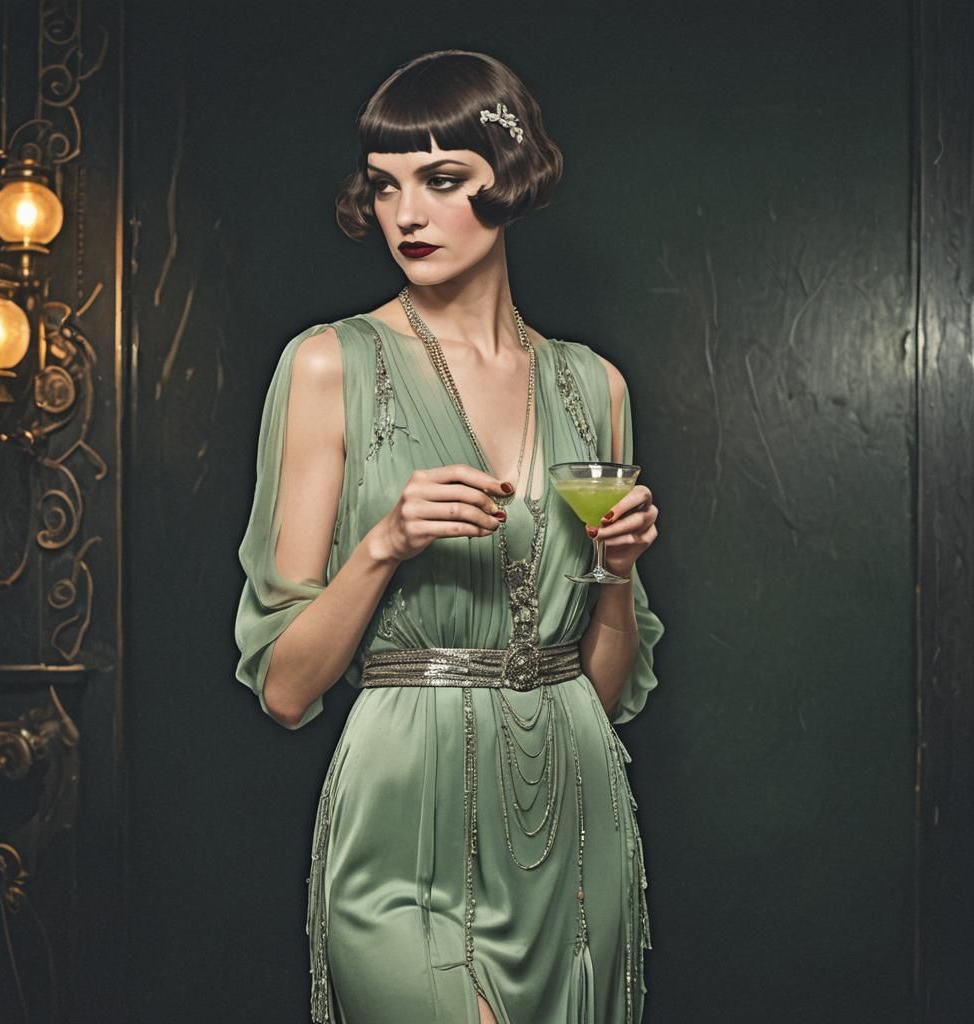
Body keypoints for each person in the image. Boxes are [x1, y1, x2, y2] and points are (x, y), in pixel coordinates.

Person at [234, 48, 664, 1024]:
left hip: (569, 821)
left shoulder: (593, 387)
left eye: (441, 180)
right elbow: (287, 689)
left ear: (510, 184)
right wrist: (383, 542)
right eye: (385, 187)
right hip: (402, 825)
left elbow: (593, 690)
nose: (407, 216)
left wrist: (614, 571)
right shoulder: (327, 367)